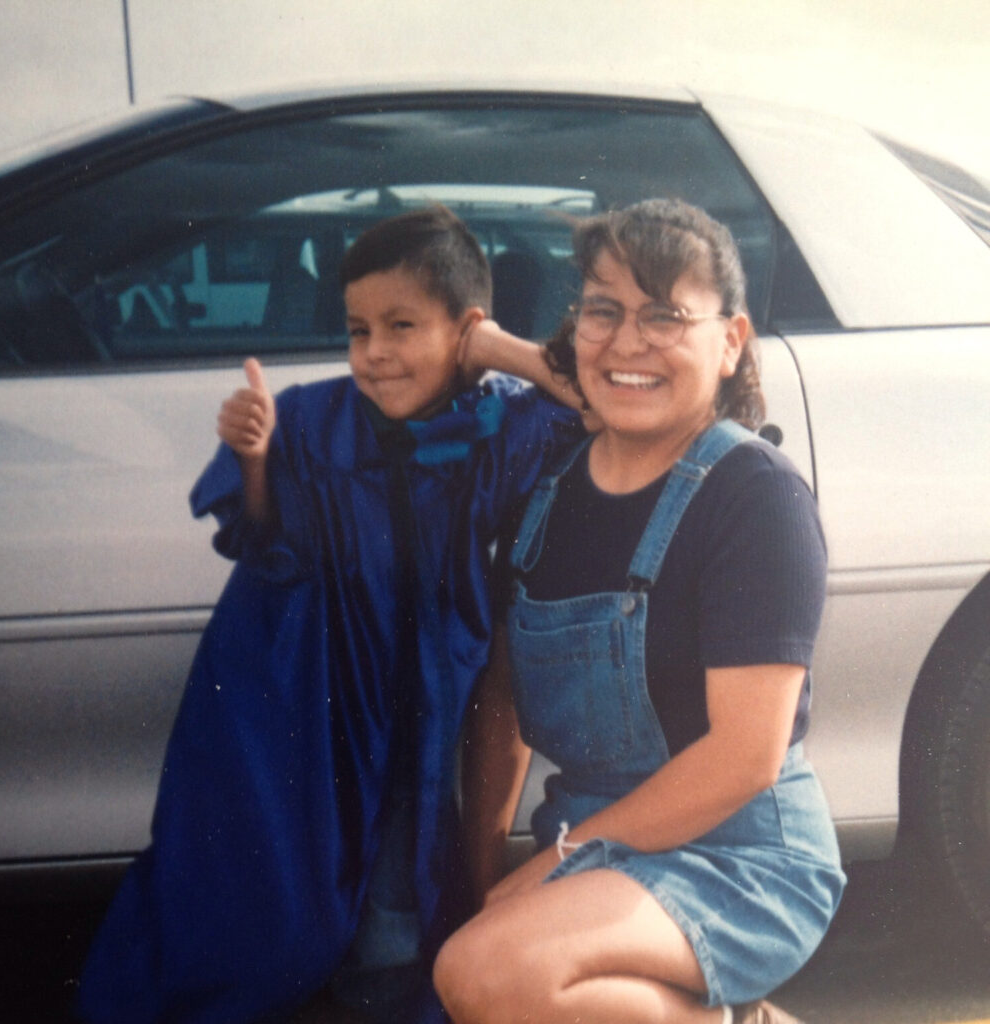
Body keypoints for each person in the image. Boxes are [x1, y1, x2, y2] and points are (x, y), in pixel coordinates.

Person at [76, 206, 585, 1024]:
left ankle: (374, 983)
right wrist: (252, 460)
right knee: (273, 861)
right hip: (293, 680)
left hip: (411, 682)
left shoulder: (490, 425)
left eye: (402, 326)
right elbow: (263, 537)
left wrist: (496, 348)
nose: (374, 354)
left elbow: (589, 404)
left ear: (463, 331)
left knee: (394, 848)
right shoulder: (311, 420)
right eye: (357, 331)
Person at [434, 199, 846, 1024]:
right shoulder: (546, 493)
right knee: (487, 957)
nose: (627, 342)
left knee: (484, 975)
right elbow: (505, 709)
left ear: (729, 341)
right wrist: (483, 875)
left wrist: (556, 862)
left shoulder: (754, 497)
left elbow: (744, 759)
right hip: (600, 839)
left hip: (742, 856)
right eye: (604, 311)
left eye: (665, 316)